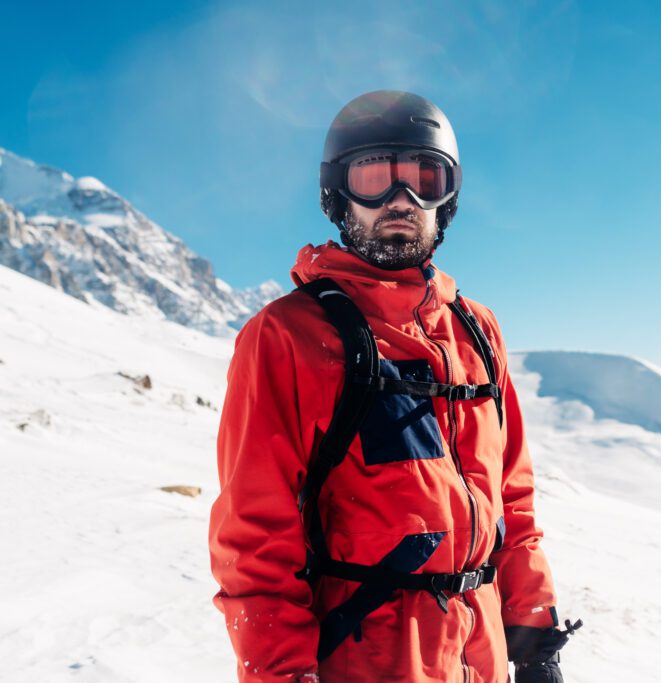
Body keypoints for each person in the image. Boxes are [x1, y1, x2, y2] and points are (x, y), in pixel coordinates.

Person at [209, 90, 577, 683]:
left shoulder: (476, 330)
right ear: (337, 193)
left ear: (448, 198)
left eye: (423, 179)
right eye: (375, 177)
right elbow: (254, 536)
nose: (401, 200)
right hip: (367, 661)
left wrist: (534, 636)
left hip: (477, 658)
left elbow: (512, 500)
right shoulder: (286, 335)